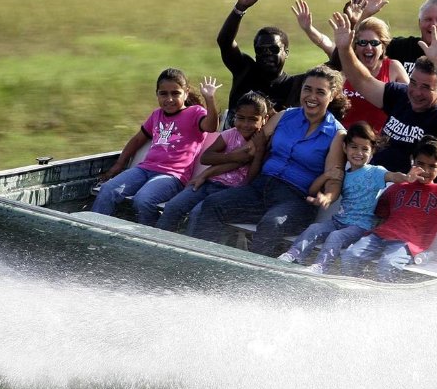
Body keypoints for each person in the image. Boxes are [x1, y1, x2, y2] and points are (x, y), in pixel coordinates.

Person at [188, 66, 348, 255]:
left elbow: (334, 178)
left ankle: (256, 280)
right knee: (214, 204)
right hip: (261, 188)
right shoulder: (284, 116)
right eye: (307, 89)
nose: (311, 97)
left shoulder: (336, 134)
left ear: (333, 95)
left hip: (295, 199)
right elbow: (248, 151)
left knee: (271, 224)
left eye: (320, 92)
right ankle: (204, 264)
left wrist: (327, 197)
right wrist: (208, 171)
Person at [330, 11, 437, 174]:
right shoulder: (400, 95)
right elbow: (362, 81)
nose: (416, 92)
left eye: (426, 87)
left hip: (409, 191)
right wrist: (345, 49)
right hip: (374, 180)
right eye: (413, 83)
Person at [276, 121, 417, 274]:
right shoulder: (342, 172)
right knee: (314, 228)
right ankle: (295, 255)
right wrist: (326, 182)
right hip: (339, 221)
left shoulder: (375, 172)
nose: (359, 153)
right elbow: (314, 189)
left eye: (365, 149)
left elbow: (393, 176)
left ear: (372, 151)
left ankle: (321, 266)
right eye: (354, 147)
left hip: (360, 227)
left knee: (336, 236)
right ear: (345, 148)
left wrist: (407, 177)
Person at [339, 134, 437, 281]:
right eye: (420, 164)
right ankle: (353, 293)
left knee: (387, 264)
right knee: (350, 256)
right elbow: (380, 215)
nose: (425, 170)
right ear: (412, 160)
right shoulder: (398, 187)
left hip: (408, 244)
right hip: (380, 235)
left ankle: (380, 301)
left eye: (432, 166)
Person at [93, 69, 220, 226]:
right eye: (163, 94)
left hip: (172, 176)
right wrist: (118, 165)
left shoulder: (195, 113)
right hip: (144, 170)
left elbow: (212, 126)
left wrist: (210, 99)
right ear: (157, 94)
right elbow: (136, 140)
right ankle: (94, 229)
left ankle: (149, 237)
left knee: (143, 200)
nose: (169, 99)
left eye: (175, 93)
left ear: (186, 93)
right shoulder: (156, 115)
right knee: (108, 190)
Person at [290, 0, 408, 133]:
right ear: (355, 47)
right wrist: (308, 28)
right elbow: (325, 42)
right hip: (344, 140)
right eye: (362, 43)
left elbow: (408, 102)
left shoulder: (393, 68)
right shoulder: (345, 63)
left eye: (375, 43)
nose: (368, 47)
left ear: (383, 47)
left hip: (379, 142)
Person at [155, 91, 271, 233]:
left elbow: (251, 178)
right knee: (174, 206)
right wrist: (233, 157)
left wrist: (259, 151)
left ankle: (190, 251)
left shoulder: (262, 143)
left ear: (264, 119)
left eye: (253, 119)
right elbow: (206, 157)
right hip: (208, 183)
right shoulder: (230, 135)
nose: (246, 124)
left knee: (198, 214)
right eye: (240, 118)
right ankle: (159, 245)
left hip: (230, 192)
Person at [217, 0, 305, 123]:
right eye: (261, 50)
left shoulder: (296, 85)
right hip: (233, 141)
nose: (267, 54)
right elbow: (224, 41)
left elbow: (335, 67)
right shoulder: (244, 70)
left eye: (273, 49)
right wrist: (240, 8)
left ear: (286, 52)